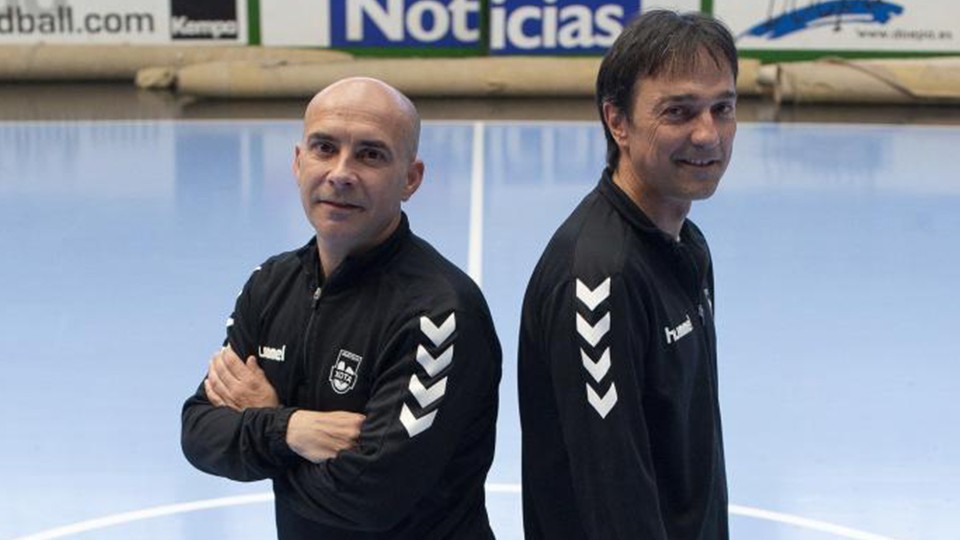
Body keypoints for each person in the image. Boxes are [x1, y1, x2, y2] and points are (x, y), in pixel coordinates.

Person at [181, 77, 502, 539]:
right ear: (297, 162)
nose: (340, 173)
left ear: (411, 178)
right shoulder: (271, 284)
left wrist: (262, 422)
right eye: (324, 148)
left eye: (370, 154)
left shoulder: (439, 313)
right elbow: (198, 432)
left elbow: (371, 498)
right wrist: (288, 429)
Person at [517, 10, 737, 540]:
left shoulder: (686, 243)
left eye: (722, 108)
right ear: (618, 122)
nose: (707, 134)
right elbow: (611, 489)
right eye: (679, 112)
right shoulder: (598, 280)